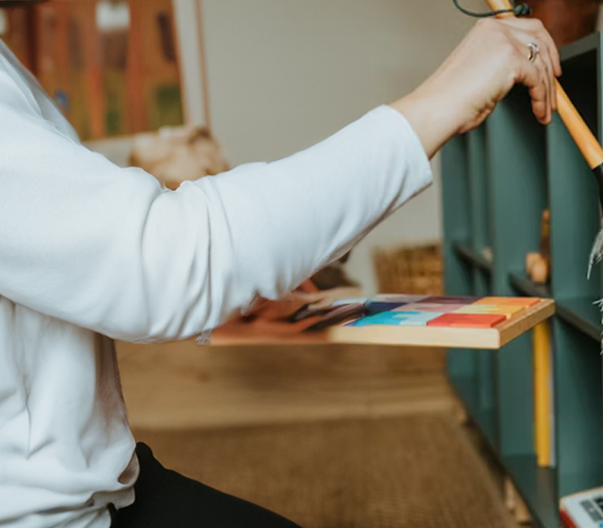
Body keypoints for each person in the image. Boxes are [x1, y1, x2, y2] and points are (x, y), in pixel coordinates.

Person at [0, 12, 561, 528]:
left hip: (102, 486)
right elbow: (160, 256)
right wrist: (438, 102)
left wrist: (236, 292)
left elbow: (68, 269)